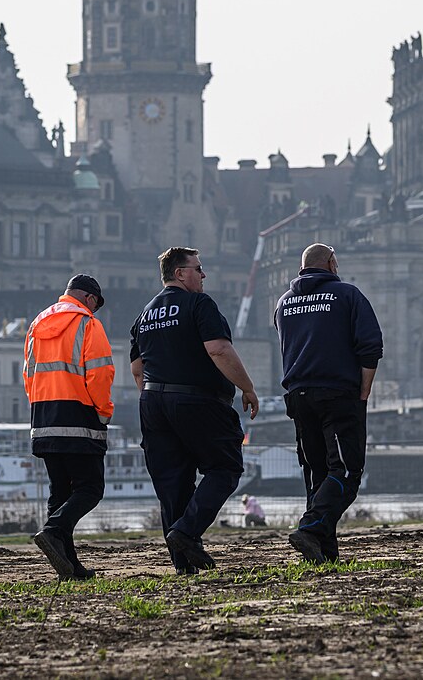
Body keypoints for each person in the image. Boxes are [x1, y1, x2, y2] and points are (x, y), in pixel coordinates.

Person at [131, 247, 260, 574]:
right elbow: (218, 349)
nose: (203, 275)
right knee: (224, 467)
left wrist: (156, 398)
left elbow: (136, 368)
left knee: (173, 482)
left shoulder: (144, 315)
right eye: (198, 269)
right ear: (179, 273)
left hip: (152, 401)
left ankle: (182, 564)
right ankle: (187, 532)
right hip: (196, 400)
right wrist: (247, 387)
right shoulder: (198, 304)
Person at [274, 243, 384, 563]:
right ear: (332, 263)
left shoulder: (284, 302)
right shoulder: (348, 295)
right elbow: (370, 347)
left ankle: (322, 552)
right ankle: (310, 528)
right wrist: (363, 393)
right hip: (337, 394)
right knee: (347, 471)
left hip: (298, 396)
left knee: (317, 474)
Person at [23, 273, 115, 580]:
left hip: (44, 417)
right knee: (91, 488)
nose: (95, 310)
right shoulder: (88, 324)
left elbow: (29, 375)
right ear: (89, 298)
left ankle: (70, 566)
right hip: (80, 417)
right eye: (96, 305)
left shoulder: (37, 324)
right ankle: (53, 530)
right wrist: (103, 412)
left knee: (60, 492)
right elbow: (100, 375)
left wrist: (40, 407)